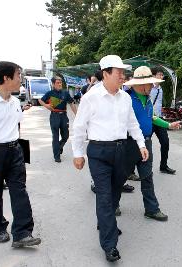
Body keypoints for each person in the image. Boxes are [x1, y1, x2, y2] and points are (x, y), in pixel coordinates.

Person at [72, 55, 148, 262]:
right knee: (104, 196)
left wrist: (141, 144)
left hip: (121, 151)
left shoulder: (124, 97)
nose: (123, 76)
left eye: (124, 72)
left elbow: (132, 124)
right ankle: (109, 244)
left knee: (115, 193)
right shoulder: (91, 97)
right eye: (119, 72)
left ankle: (105, 223)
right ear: (105, 74)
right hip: (98, 152)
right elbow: (79, 127)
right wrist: (77, 153)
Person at [0, 61, 41, 248]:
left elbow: (16, 128)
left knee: (20, 190)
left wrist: (21, 151)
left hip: (15, 149)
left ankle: (22, 233)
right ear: (6, 78)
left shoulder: (16, 102)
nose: (21, 79)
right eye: (18, 75)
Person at [123, 66, 181, 222]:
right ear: (142, 85)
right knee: (119, 177)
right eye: (150, 84)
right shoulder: (125, 98)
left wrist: (168, 125)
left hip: (146, 144)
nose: (152, 86)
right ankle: (113, 204)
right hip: (128, 144)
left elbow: (153, 118)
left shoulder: (147, 99)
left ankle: (151, 209)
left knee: (147, 177)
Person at [39, 76, 77, 162]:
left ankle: (59, 147)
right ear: (53, 84)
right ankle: (57, 156)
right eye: (58, 83)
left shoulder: (65, 93)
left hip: (64, 116)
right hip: (54, 116)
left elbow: (71, 103)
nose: (60, 84)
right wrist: (46, 105)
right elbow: (40, 100)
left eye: (61, 83)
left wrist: (77, 115)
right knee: (55, 137)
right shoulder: (50, 93)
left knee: (66, 136)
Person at [150, 70, 176, 174]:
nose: (161, 76)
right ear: (154, 76)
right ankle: (132, 170)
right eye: (159, 74)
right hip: (150, 119)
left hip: (159, 119)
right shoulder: (148, 87)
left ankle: (163, 166)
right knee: (142, 143)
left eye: (162, 75)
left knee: (165, 142)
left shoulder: (160, 89)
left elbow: (159, 104)